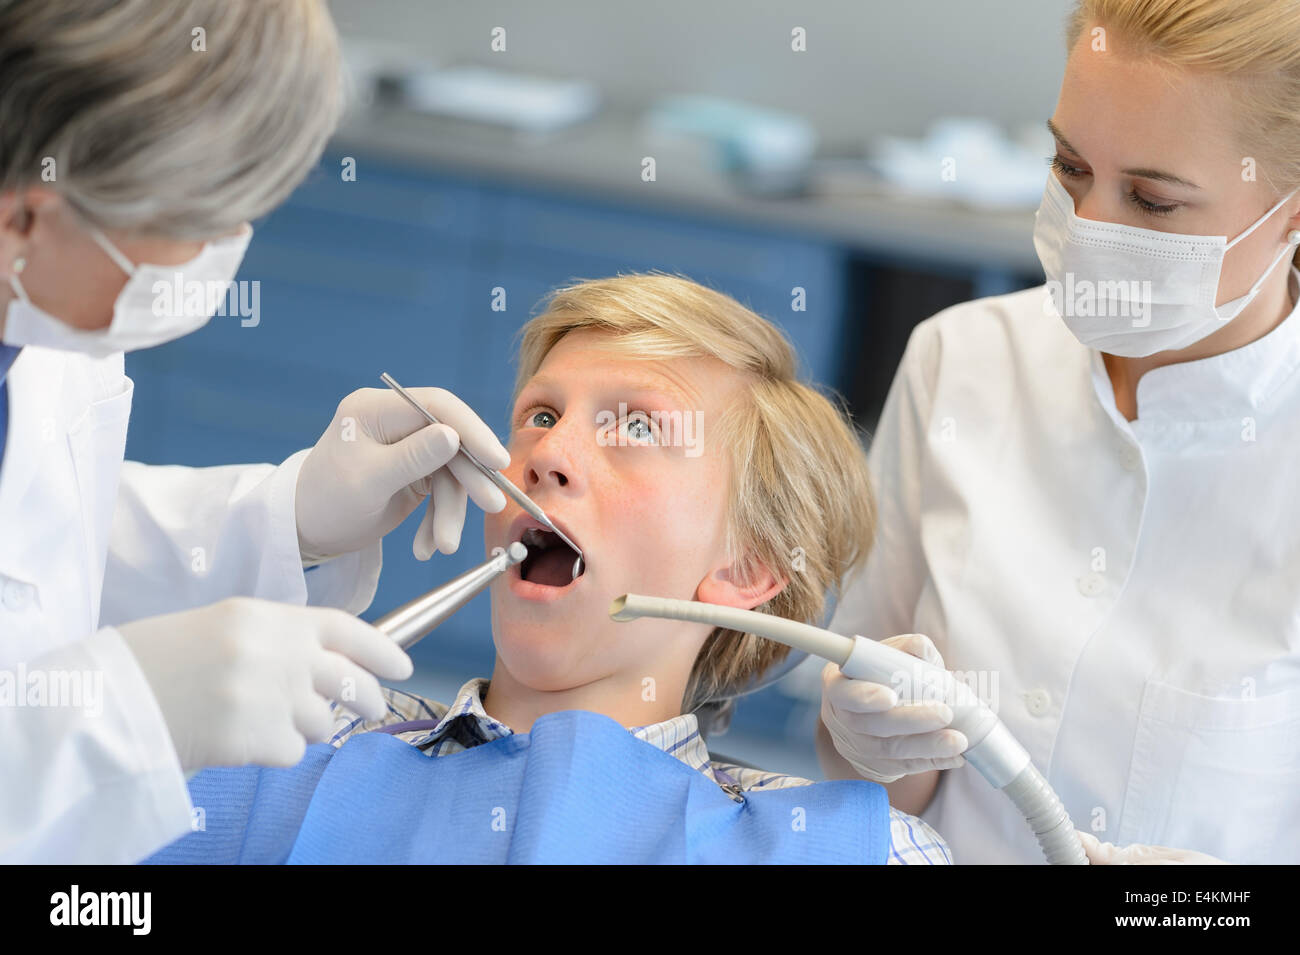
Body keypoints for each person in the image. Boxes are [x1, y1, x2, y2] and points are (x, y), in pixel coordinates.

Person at [149, 274, 952, 864]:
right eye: (541, 414)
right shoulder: (284, 732)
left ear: (746, 572)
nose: (547, 455)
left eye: (636, 426)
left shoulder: (854, 851)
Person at [0, 0, 508, 863]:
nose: (225, 250)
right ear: (25, 218)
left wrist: (287, 515)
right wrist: (128, 707)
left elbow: (35, 540)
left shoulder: (46, 311)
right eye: (198, 224)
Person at [819, 0, 1300, 864]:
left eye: (1154, 201)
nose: (1090, 229)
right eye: (1071, 167)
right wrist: (863, 740)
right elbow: (869, 787)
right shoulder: (961, 359)